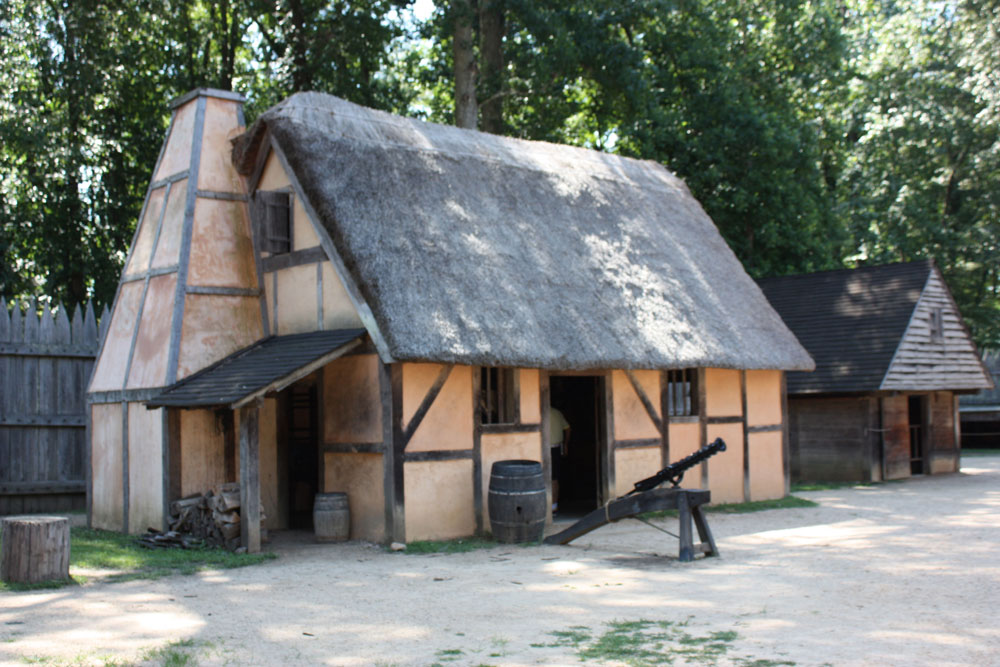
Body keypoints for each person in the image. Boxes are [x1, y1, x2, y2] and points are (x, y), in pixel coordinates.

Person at [549, 405, 570, 512]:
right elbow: (567, 428)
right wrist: (565, 444)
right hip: (555, 448)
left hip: (548, 448)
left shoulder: (539, 412)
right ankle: (554, 506)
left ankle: (550, 507)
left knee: (550, 478)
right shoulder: (557, 412)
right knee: (554, 478)